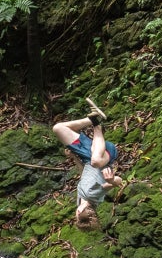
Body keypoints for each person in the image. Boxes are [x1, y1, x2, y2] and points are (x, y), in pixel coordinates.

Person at [51, 97, 123, 230]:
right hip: (105, 154)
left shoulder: (80, 199)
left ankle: (92, 117)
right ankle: (97, 124)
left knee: (58, 128)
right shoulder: (94, 196)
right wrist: (112, 180)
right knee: (96, 162)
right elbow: (119, 182)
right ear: (78, 213)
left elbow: (84, 174)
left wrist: (74, 158)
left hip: (86, 155)